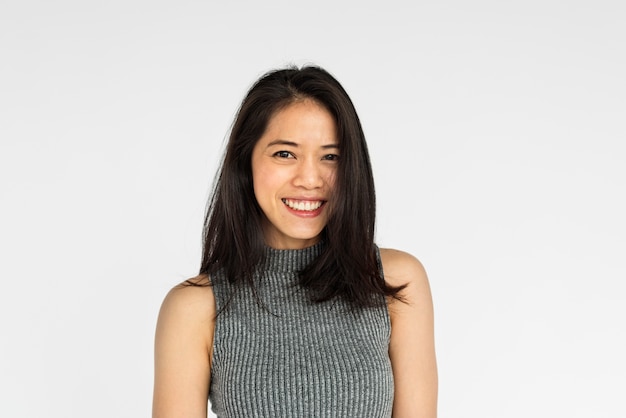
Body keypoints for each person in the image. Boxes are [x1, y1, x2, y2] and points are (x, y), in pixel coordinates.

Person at [152, 65, 437, 417]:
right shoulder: (195, 307)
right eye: (285, 154)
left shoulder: (393, 281)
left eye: (330, 156)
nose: (310, 179)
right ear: (246, 162)